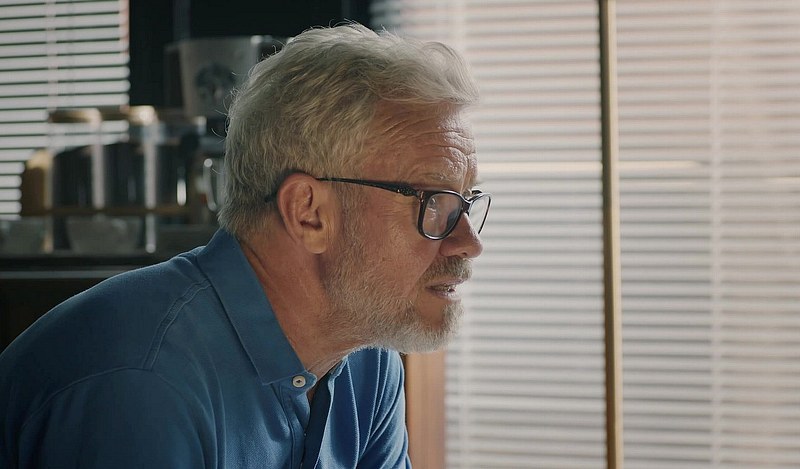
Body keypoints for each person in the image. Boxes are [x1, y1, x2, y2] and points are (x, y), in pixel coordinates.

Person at [0, 23, 490, 468]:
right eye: (435, 202)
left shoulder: (367, 359)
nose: (469, 243)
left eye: (466, 202)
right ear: (309, 213)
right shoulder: (140, 383)